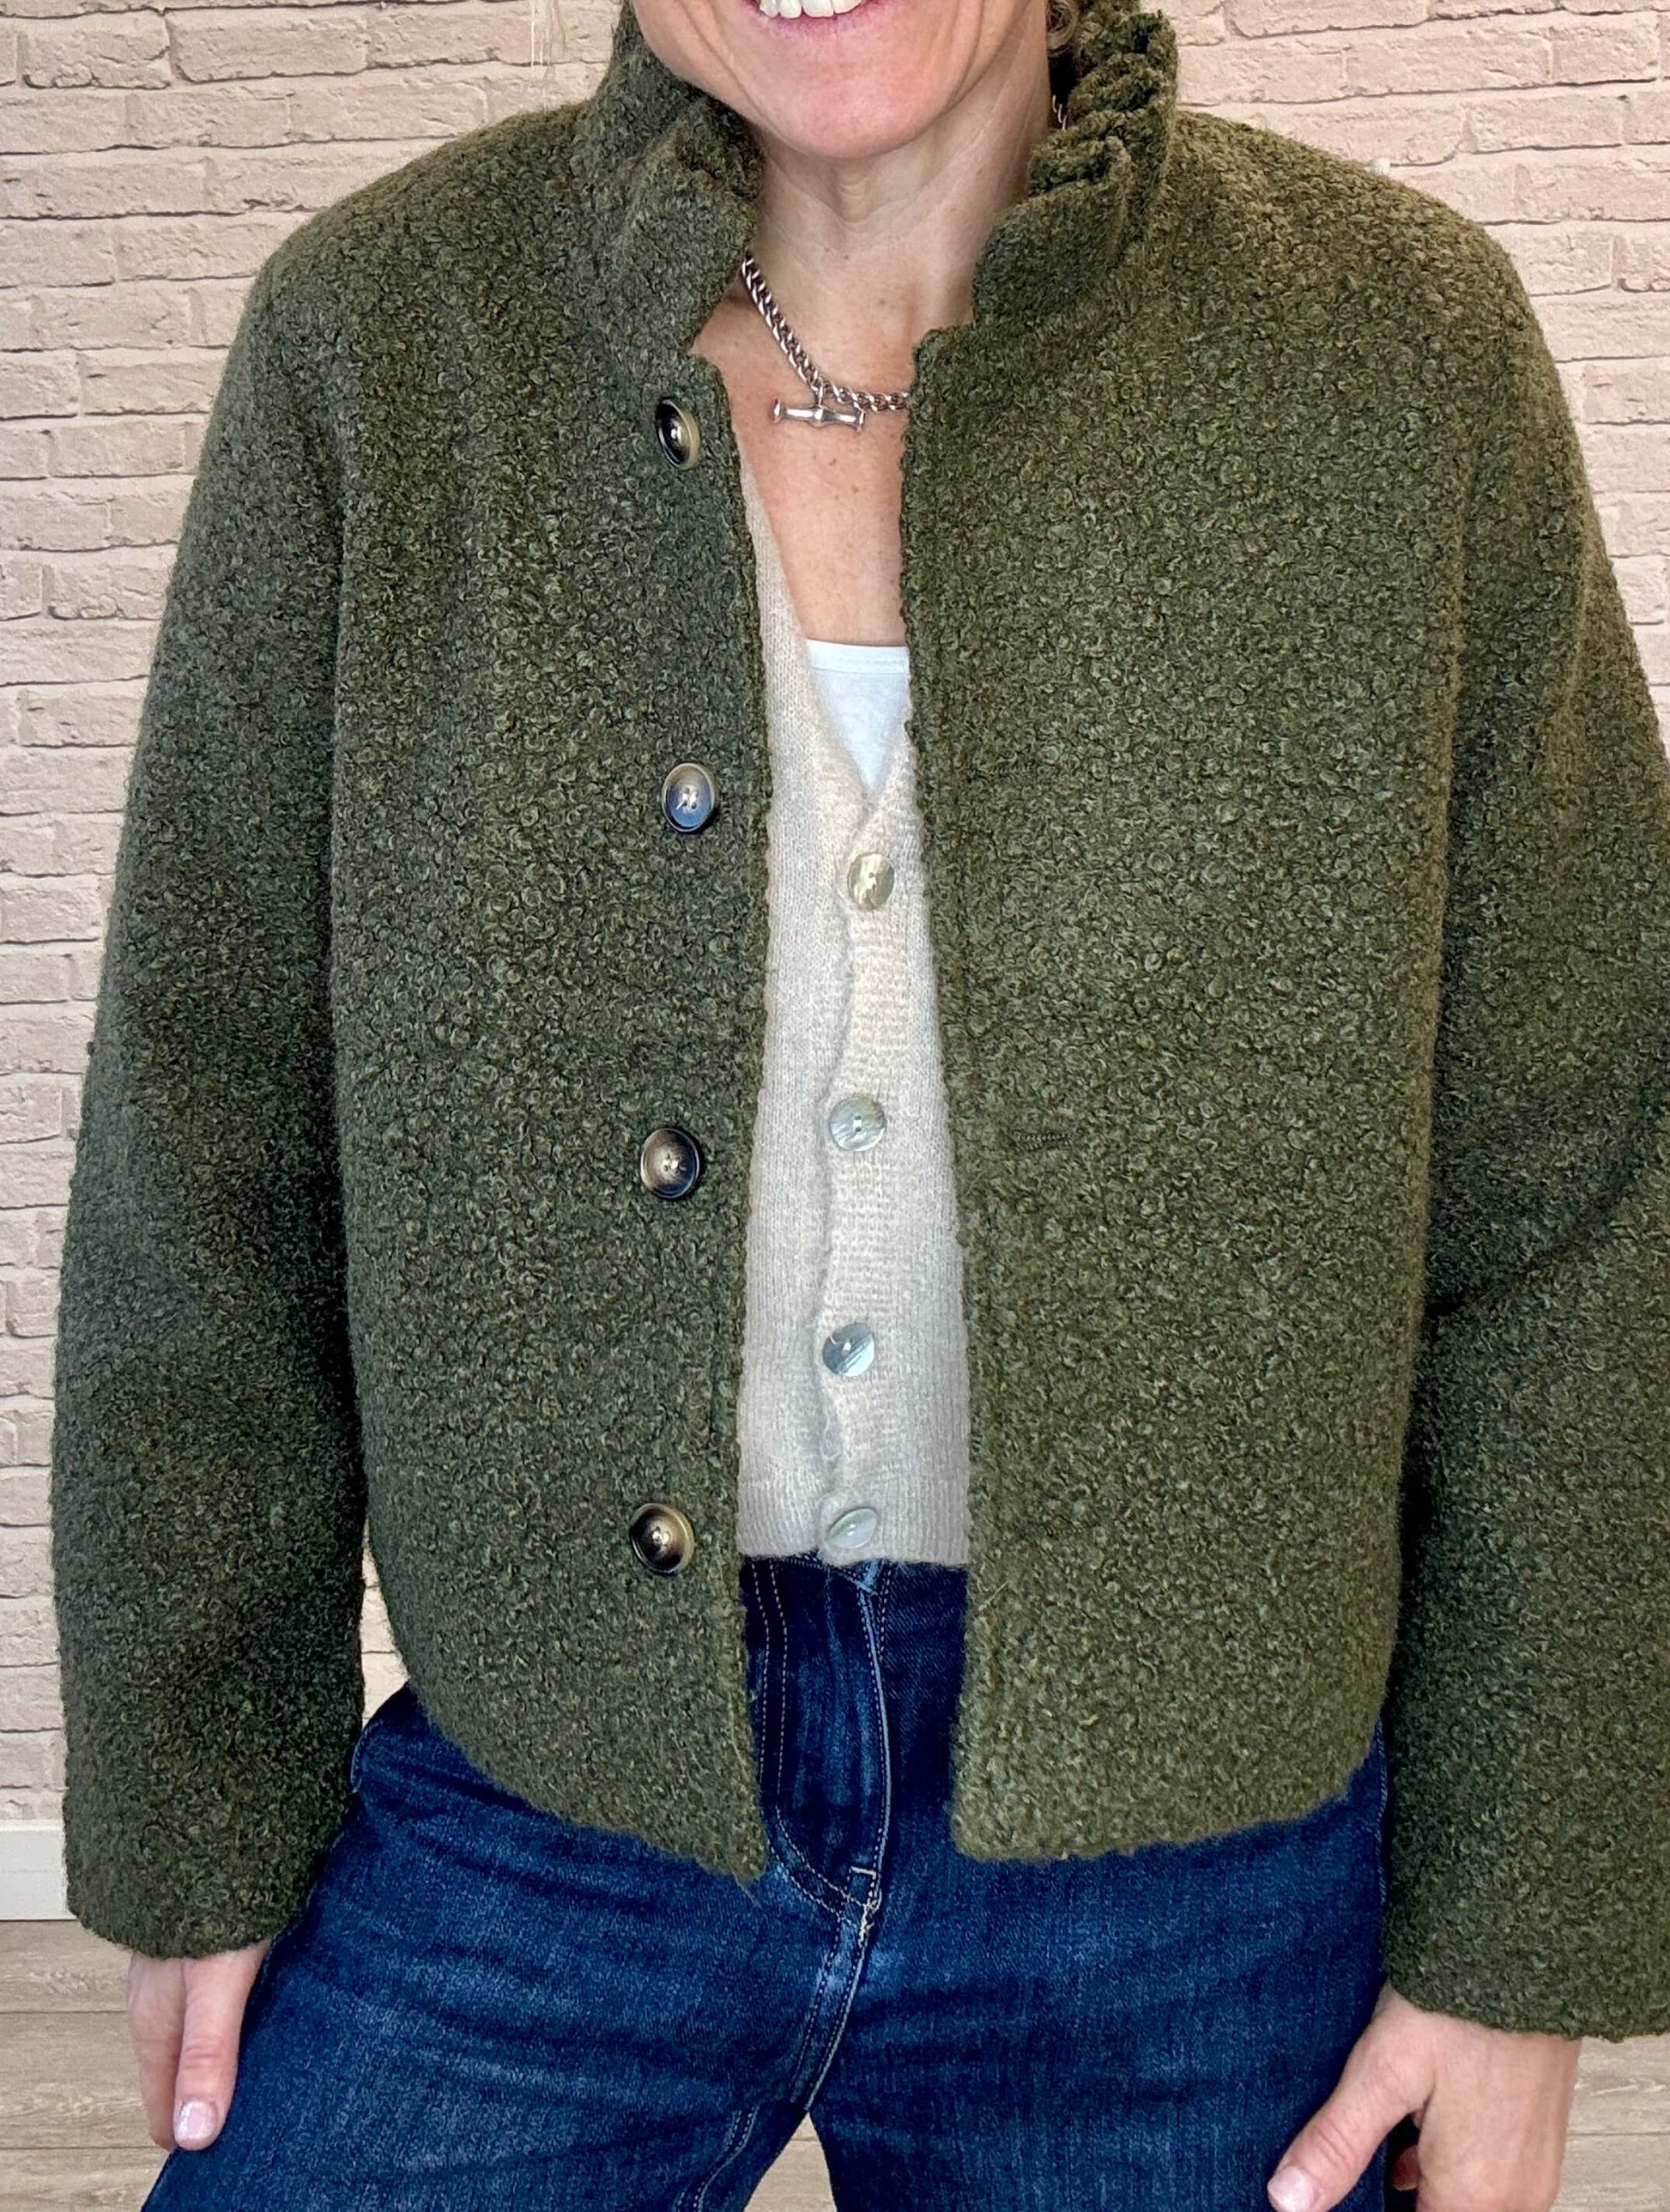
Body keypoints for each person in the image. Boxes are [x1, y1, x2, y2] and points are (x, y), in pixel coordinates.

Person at [47, 0, 1670, 2205]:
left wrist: (1513, 1935)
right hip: (554, 1788)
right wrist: (199, 1808)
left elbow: (1574, 1184)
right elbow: (211, 1128)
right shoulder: (385, 340)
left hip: (1192, 1857)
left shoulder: (1399, 353)